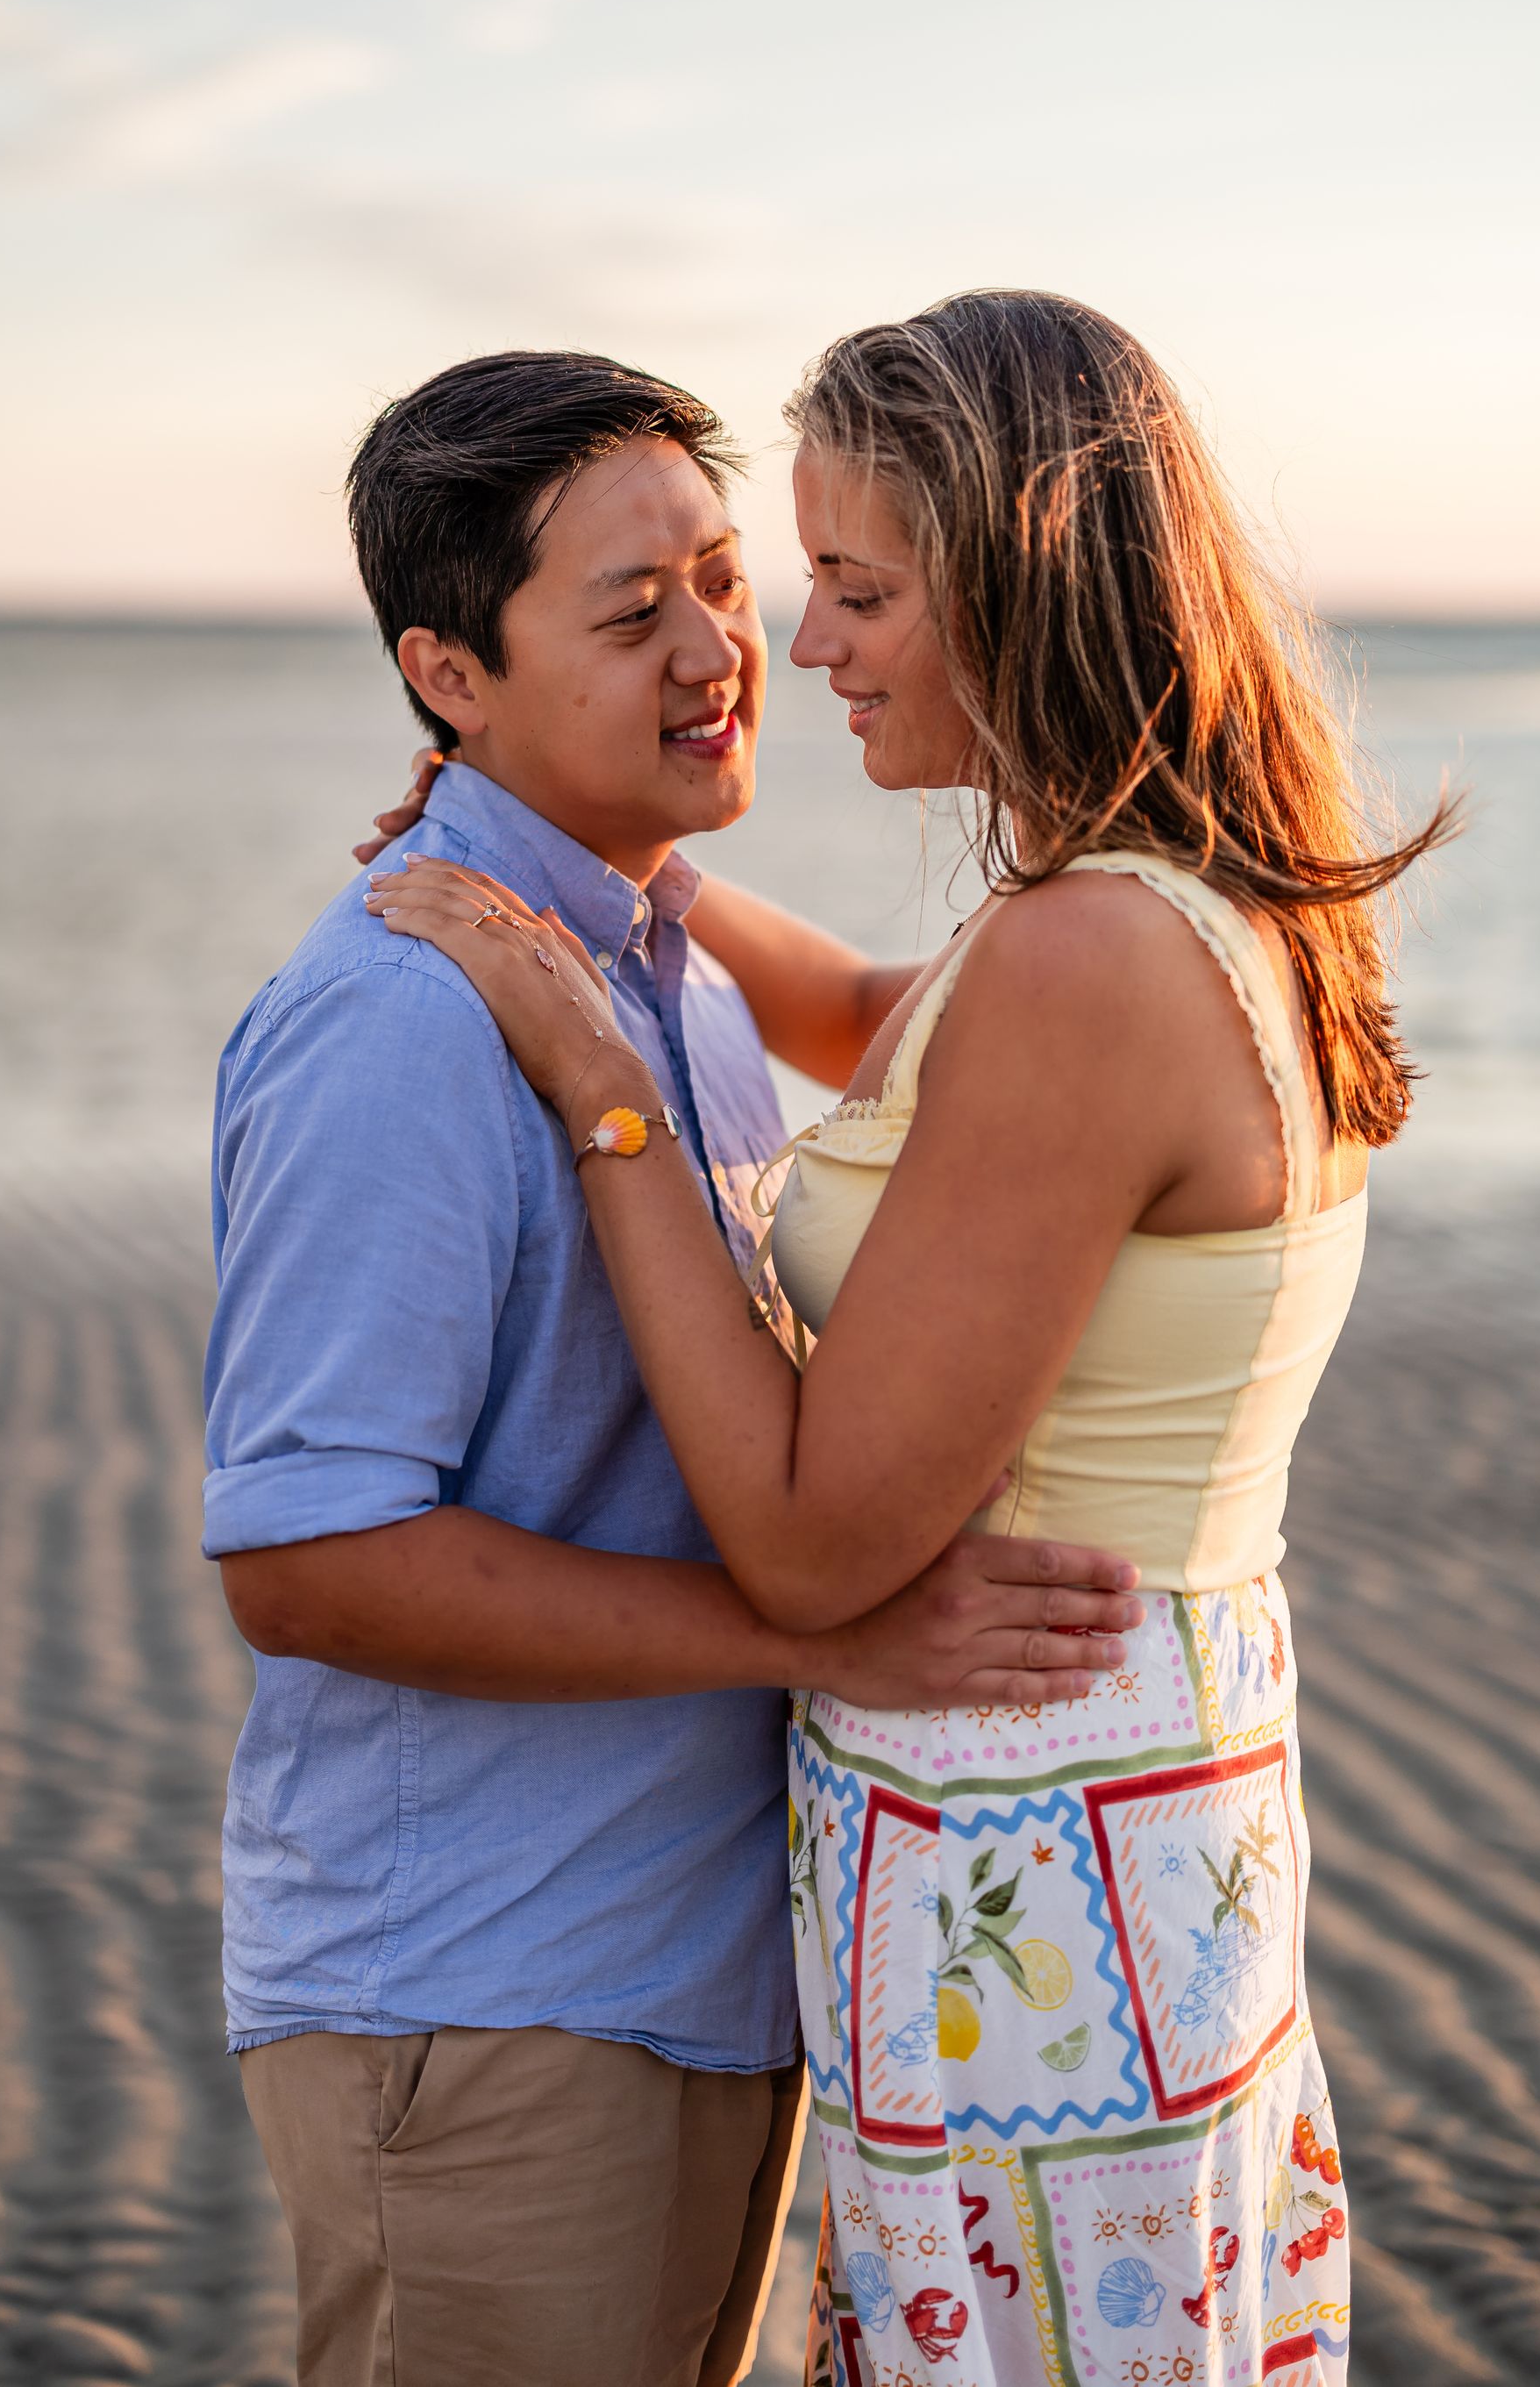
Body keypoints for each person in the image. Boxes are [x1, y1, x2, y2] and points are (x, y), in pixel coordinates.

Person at [364, 290, 1453, 2387]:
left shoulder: (1087, 960)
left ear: (1018, 583)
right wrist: (619, 879)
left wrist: (603, 1081)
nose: (804, 645)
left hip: (1030, 1859)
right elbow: (897, 1037)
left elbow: (806, 1547)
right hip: (1128, 1828)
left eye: (856, 590)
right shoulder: (1172, 909)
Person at [204, 347, 1144, 2387]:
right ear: (451, 674)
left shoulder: (664, 956)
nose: (728, 648)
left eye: (727, 580)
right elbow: (304, 1562)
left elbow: (958, 1027)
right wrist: (818, 1634)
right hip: (483, 2008)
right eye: (636, 618)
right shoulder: (405, 1022)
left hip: (702, 1971)